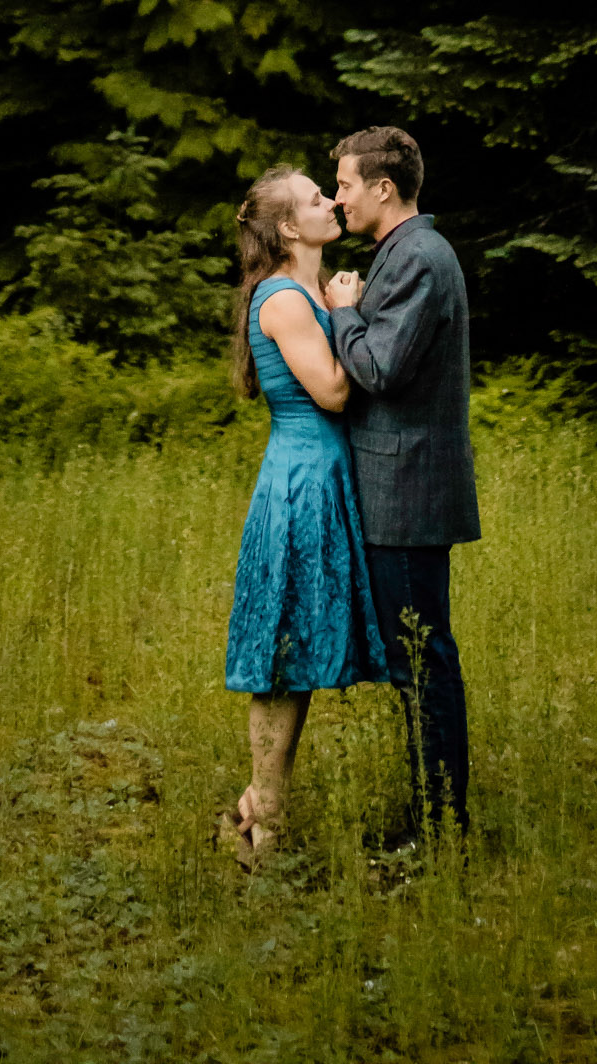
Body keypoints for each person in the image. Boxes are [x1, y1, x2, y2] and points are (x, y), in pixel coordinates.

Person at [223, 167, 389, 864]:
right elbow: (333, 392)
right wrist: (348, 310)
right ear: (289, 228)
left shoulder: (307, 293)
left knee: (295, 653)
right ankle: (266, 830)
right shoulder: (287, 300)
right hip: (299, 484)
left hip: (320, 477)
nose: (332, 202)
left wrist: (340, 304)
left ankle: (258, 810)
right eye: (317, 198)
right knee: (280, 657)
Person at [324, 124, 479, 840]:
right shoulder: (403, 252)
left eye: (347, 185)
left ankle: (440, 823)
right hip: (398, 490)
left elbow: (380, 369)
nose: (338, 199)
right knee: (414, 655)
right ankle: (430, 809)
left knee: (422, 656)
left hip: (408, 494)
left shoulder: (417, 256)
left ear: (384, 188)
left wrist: (343, 312)